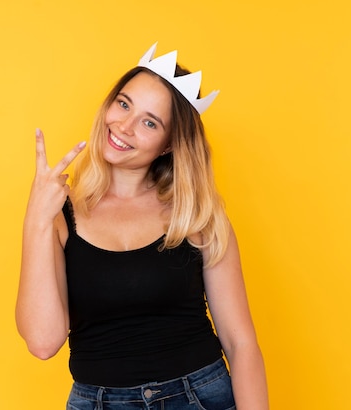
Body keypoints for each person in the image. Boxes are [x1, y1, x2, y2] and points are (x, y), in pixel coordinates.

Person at [16, 43, 269, 410]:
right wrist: (36, 219)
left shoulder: (196, 214)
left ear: (168, 146)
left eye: (150, 122)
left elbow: (241, 343)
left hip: (198, 396)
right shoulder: (57, 214)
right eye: (123, 104)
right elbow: (42, 342)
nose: (124, 126)